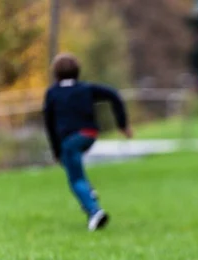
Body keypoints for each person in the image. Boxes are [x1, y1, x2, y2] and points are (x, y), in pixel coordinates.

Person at [43, 53, 133, 231]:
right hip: (89, 135)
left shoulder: (52, 94)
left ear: (56, 73)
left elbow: (49, 123)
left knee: (75, 179)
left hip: (69, 140)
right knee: (77, 171)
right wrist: (122, 124)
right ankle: (89, 192)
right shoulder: (86, 89)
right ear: (77, 71)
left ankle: (95, 212)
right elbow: (114, 95)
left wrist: (56, 151)